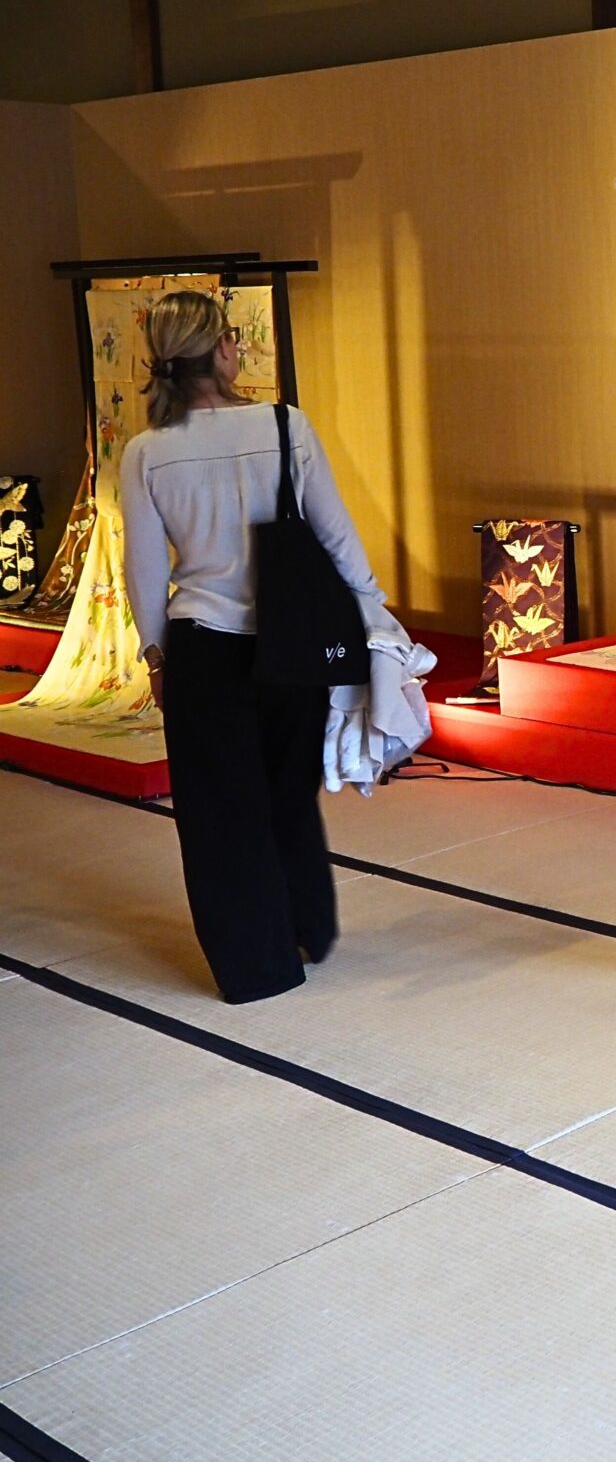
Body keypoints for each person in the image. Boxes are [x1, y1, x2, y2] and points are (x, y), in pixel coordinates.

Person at [122, 289, 396, 1004]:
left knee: (221, 812)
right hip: (292, 643)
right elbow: (336, 535)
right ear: (222, 350)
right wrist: (375, 620)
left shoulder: (147, 452)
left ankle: (260, 965)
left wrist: (156, 657)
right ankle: (308, 928)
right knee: (288, 794)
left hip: (202, 647)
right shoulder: (285, 426)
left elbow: (144, 569)